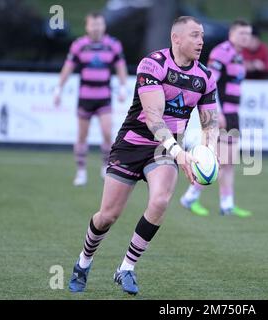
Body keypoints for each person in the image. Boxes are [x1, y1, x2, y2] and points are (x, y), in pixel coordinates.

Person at [67, 16, 219, 295]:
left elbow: (210, 123)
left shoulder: (206, 77)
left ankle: (126, 268)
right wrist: (179, 152)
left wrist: (208, 153)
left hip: (163, 151)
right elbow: (153, 117)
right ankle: (83, 262)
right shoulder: (153, 65)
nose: (201, 41)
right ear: (176, 38)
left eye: (202, 36)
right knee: (108, 216)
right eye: (195, 35)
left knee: (160, 200)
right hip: (132, 144)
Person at [180, 20, 253, 217]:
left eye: (248, 34)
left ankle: (226, 204)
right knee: (217, 159)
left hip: (232, 114)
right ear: (231, 33)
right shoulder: (222, 52)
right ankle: (190, 197)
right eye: (241, 33)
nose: (245, 37)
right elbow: (211, 82)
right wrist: (217, 111)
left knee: (227, 160)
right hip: (223, 114)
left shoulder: (238, 55)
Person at [54, 12, 128, 186]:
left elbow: (121, 67)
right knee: (82, 136)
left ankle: (105, 166)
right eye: (93, 25)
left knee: (107, 133)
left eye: (99, 24)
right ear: (87, 26)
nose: (96, 28)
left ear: (104, 26)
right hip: (85, 98)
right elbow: (68, 67)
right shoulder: (79, 45)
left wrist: (123, 87)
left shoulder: (113, 45)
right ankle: (81, 171)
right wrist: (58, 89)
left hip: (104, 97)